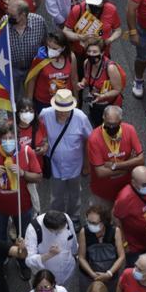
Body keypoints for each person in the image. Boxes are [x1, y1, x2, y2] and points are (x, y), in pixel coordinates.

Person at [0, 120, 42, 248]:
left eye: (11, 138)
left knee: (24, 236)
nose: (8, 141)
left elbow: (38, 177)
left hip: (23, 207)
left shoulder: (27, 152)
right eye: (4, 138)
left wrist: (23, 173)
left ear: (18, 138)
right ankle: (2, 259)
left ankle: (23, 261)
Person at [40, 89, 93, 219]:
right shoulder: (45, 115)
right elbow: (38, 131)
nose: (62, 113)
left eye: (66, 110)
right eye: (59, 110)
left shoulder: (81, 118)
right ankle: (56, 218)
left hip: (75, 166)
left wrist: (87, 164)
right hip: (55, 166)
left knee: (75, 194)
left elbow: (90, 139)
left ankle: (74, 217)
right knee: (56, 195)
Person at [79, 204, 126, 288]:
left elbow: (121, 256)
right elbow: (81, 257)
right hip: (89, 276)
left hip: (111, 274)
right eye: (88, 221)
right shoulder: (84, 232)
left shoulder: (115, 231)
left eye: (94, 223)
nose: (90, 225)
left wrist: (109, 273)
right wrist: (93, 275)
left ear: (103, 222)